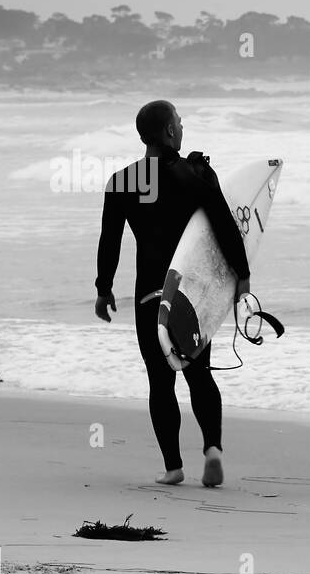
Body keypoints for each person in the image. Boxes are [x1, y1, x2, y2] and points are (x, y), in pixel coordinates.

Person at [94, 100, 250, 487]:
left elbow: (109, 241)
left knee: (160, 380)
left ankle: (173, 467)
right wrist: (242, 276)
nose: (182, 127)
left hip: (150, 293)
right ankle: (212, 449)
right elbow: (225, 228)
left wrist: (103, 288)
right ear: (168, 132)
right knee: (200, 374)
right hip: (190, 296)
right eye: (178, 122)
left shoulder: (122, 181)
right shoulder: (195, 175)